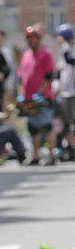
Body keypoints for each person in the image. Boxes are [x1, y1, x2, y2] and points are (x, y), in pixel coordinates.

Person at [17, 25, 56, 164]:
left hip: (42, 96)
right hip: (28, 96)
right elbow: (22, 75)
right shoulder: (26, 53)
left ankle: (52, 155)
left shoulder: (46, 54)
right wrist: (22, 94)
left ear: (38, 39)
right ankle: (35, 156)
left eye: (33, 38)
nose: (31, 41)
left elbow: (49, 75)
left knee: (47, 125)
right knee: (32, 127)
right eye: (29, 39)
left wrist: (41, 93)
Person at [56, 23, 75, 161]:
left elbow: (70, 60)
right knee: (65, 122)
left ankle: (71, 147)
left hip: (71, 91)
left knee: (70, 122)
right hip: (65, 91)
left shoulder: (68, 49)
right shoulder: (65, 49)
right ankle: (67, 147)